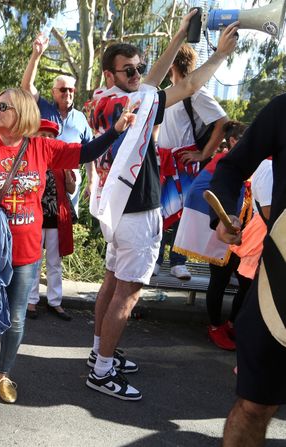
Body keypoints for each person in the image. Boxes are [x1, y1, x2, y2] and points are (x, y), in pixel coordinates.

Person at [84, 15, 239, 401]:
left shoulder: (103, 100)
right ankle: (102, 371)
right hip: (137, 211)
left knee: (110, 282)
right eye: (128, 70)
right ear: (110, 73)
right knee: (128, 291)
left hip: (114, 209)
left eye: (139, 68)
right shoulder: (137, 102)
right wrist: (218, 56)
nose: (137, 74)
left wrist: (177, 37)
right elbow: (186, 85)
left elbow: (151, 82)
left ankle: (98, 352)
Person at [0, 88, 136, 411]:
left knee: (15, 320)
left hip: (27, 252)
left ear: (23, 113)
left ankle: (3, 374)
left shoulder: (41, 147)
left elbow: (84, 153)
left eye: (4, 106)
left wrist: (115, 131)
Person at [210, 98, 286, 447]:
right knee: (255, 404)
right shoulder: (283, 110)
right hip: (278, 286)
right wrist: (224, 214)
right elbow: (230, 167)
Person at [155, 44, 229, 280]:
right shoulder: (167, 92)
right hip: (164, 160)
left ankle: (178, 261)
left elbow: (223, 123)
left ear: (172, 66)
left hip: (185, 160)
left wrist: (203, 154)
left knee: (181, 213)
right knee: (158, 211)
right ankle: (155, 259)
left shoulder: (195, 91)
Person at [21, 33, 93, 215]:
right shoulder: (42, 107)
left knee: (65, 226)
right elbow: (26, 87)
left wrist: (92, 182)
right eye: (62, 90)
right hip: (40, 176)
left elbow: (90, 151)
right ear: (53, 92)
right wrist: (36, 56)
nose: (67, 93)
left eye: (71, 90)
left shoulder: (81, 118)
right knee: (39, 225)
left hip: (70, 180)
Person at [204, 121, 252, 351]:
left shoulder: (260, 163)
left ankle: (232, 323)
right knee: (220, 280)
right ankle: (214, 326)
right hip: (223, 233)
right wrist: (220, 221)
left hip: (249, 235)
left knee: (246, 282)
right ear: (233, 141)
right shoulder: (220, 162)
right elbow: (201, 193)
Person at [26, 119, 76, 321]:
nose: (47, 139)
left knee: (54, 262)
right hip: (35, 218)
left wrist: (68, 177)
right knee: (34, 261)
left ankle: (56, 302)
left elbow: (71, 190)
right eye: (43, 135)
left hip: (56, 218)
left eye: (50, 136)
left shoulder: (61, 159)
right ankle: (31, 300)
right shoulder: (29, 157)